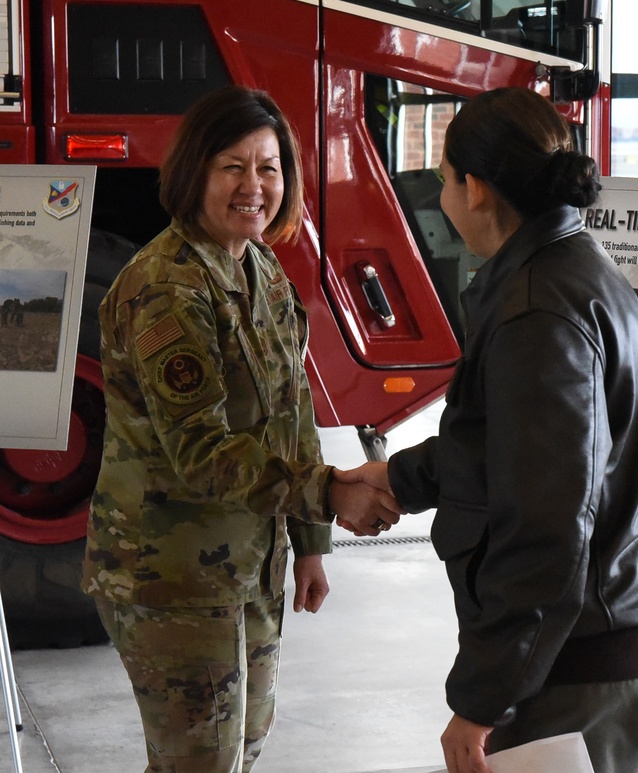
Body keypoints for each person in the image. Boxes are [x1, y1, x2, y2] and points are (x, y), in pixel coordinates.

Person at [339, 87, 638, 773]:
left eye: (442, 180)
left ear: (476, 189)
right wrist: (402, 478)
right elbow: (517, 447)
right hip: (618, 636)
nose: (441, 196)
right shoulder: (571, 266)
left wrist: (484, 696)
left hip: (579, 663)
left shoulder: (538, 310)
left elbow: (548, 521)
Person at [81, 85, 402, 773]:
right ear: (195, 169)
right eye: (233, 166)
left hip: (247, 567)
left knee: (239, 751)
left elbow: (292, 411)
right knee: (197, 763)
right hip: (173, 579)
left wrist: (311, 543)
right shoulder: (166, 287)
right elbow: (203, 454)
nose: (254, 185)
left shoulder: (260, 271)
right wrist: (332, 494)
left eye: (269, 167)